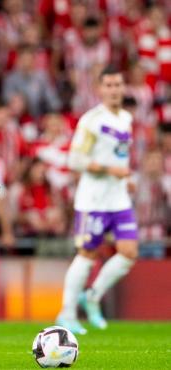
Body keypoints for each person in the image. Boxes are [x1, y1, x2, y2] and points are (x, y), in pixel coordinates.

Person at [56, 66, 138, 335]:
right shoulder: (92, 120)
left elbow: (119, 155)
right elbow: (75, 159)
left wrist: (124, 178)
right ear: (100, 89)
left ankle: (92, 296)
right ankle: (66, 313)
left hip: (119, 198)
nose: (114, 90)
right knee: (87, 255)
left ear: (123, 88)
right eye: (109, 85)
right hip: (92, 199)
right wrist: (111, 170)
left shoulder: (126, 118)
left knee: (129, 253)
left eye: (118, 85)